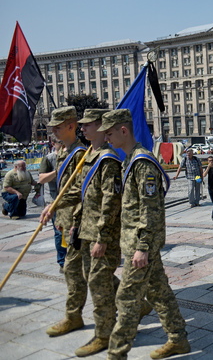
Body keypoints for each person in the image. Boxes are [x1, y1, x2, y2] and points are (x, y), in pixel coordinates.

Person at [101, 109, 190, 359]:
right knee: (159, 293)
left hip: (140, 245)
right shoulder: (130, 160)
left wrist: (143, 247)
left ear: (123, 130)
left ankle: (116, 354)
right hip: (136, 242)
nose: (106, 138)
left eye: (109, 133)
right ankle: (179, 339)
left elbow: (150, 209)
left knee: (127, 298)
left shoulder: (142, 163)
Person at [42, 109, 131, 357]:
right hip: (85, 230)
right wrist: (55, 205)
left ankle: (105, 335)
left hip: (102, 234)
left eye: (87, 125)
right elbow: (80, 193)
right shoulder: (92, 156)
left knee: (98, 283)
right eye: (80, 125)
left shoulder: (108, 160)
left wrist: (102, 238)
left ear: (102, 126)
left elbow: (110, 202)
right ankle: (114, 321)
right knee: (91, 278)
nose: (82, 129)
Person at [42, 107, 88, 338]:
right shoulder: (63, 152)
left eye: (58, 126)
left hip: (77, 222)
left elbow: (82, 192)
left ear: (72, 126)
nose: (53, 130)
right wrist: (58, 215)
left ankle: (73, 316)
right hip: (66, 220)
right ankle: (137, 304)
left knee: (74, 268)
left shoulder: (80, 154)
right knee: (85, 269)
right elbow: (62, 189)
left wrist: (74, 221)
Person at [38, 137, 66, 271]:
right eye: (60, 142)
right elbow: (42, 179)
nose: (62, 144)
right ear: (54, 143)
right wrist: (57, 172)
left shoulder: (70, 156)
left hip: (68, 199)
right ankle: (62, 261)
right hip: (53, 199)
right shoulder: (48, 158)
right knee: (59, 232)